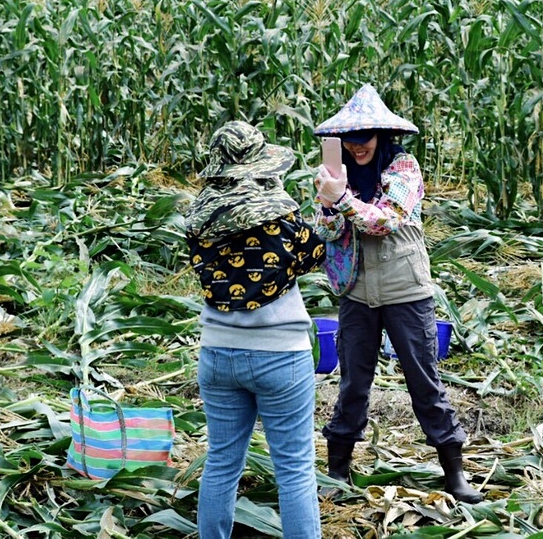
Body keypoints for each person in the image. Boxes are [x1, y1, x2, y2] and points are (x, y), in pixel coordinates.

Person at [312, 84, 483, 504]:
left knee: (424, 381)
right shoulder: (340, 176)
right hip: (356, 291)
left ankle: (455, 473)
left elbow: (385, 221)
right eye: (348, 141)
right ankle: (338, 471)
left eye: (364, 138)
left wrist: (343, 200)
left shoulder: (404, 168)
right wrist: (329, 205)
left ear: (382, 136)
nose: (356, 148)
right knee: (353, 382)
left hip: (406, 290)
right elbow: (327, 232)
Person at [185, 121, 327, 539]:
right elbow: (315, 251)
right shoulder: (282, 220)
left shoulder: (197, 220)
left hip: (217, 352)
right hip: (280, 353)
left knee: (222, 462)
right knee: (295, 469)